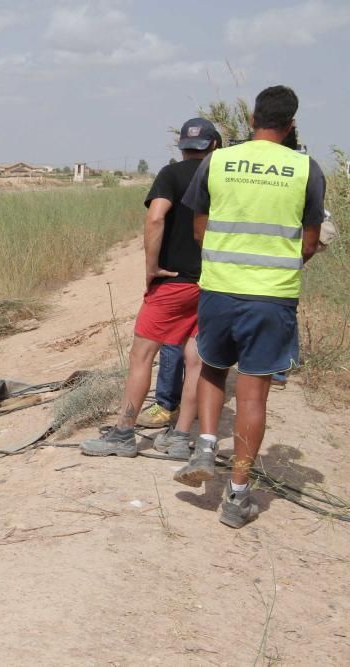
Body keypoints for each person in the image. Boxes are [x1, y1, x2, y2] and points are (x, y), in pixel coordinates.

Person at [174, 85, 327, 529]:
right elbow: (312, 241)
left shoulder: (217, 161)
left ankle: (205, 446)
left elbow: (200, 229)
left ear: (252, 118)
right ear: (292, 124)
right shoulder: (305, 169)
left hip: (219, 288)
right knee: (254, 393)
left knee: (212, 367)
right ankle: (237, 497)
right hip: (271, 295)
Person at [81, 118, 221, 460]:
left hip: (174, 283)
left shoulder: (170, 175)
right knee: (197, 359)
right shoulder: (222, 178)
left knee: (142, 354)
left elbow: (156, 217)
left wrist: (151, 267)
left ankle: (124, 433)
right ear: (214, 145)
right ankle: (180, 437)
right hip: (214, 283)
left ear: (183, 147)